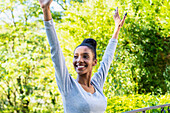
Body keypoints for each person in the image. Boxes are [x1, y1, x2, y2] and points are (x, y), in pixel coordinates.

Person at [39, 0, 127, 112]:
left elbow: (107, 59)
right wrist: (46, 10)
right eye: (76, 56)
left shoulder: (97, 84)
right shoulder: (68, 86)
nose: (79, 60)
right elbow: (55, 50)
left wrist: (117, 29)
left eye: (85, 56)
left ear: (94, 62)